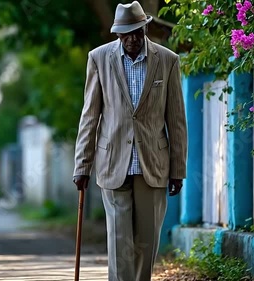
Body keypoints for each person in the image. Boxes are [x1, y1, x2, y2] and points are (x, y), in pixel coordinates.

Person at [72, 1, 188, 280]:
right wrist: (82, 165)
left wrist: (178, 169)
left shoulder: (168, 60)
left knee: (146, 244)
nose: (133, 39)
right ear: (117, 34)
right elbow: (90, 116)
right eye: (126, 34)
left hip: (153, 165)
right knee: (120, 241)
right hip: (113, 164)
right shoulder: (98, 59)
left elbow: (176, 121)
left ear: (145, 28)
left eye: (137, 31)